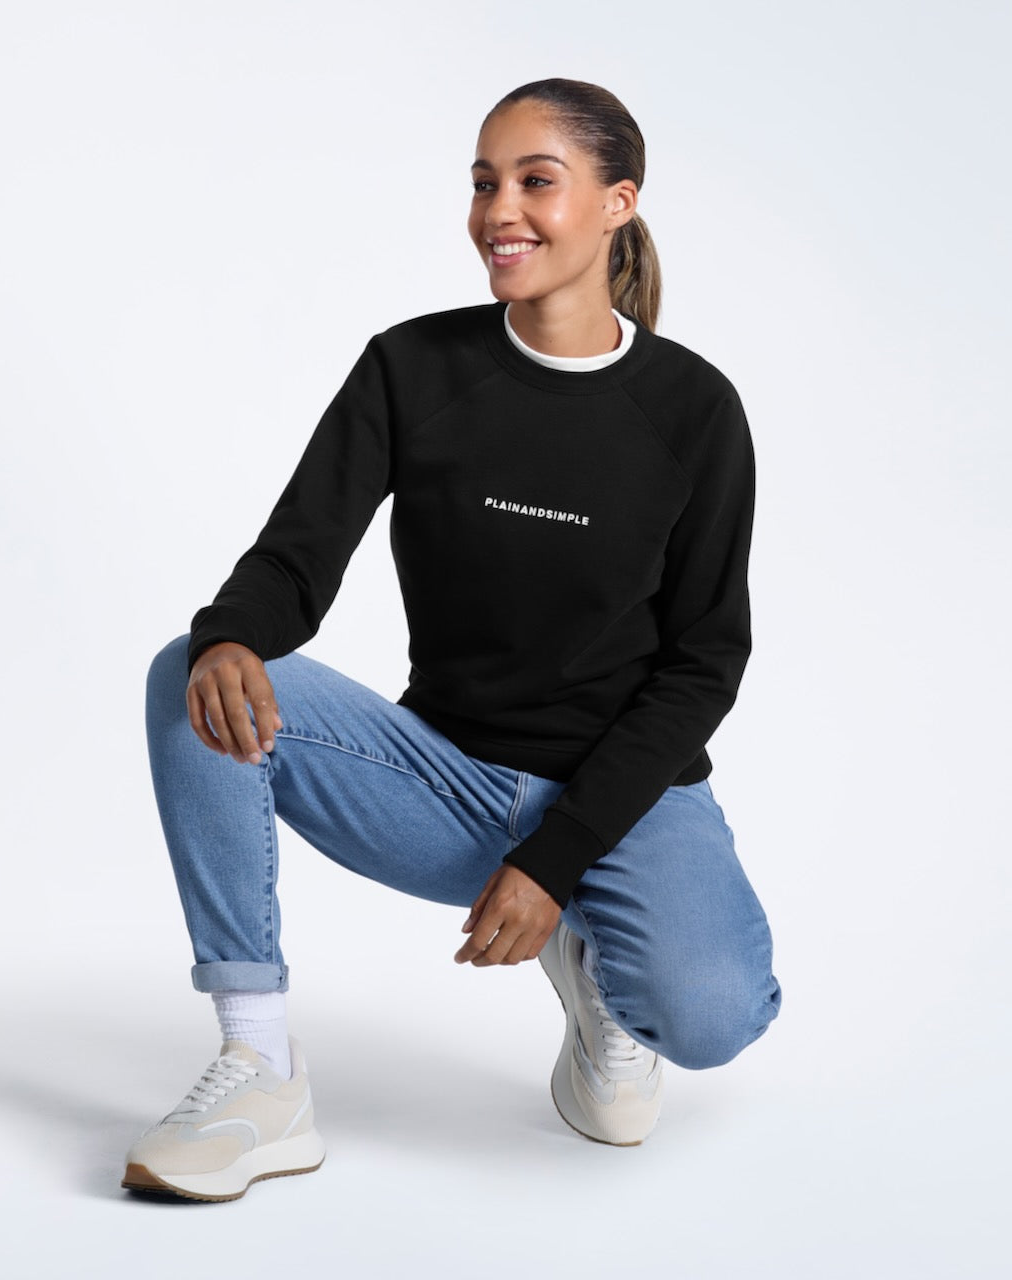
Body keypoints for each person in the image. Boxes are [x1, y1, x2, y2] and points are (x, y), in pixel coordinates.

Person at [122, 77, 781, 1202]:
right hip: (444, 785)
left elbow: (702, 664)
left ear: (617, 202)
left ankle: (603, 975)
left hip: (625, 801)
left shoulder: (693, 410)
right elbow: (297, 557)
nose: (498, 212)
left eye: (535, 181)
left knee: (711, 1015)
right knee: (195, 678)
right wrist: (231, 634)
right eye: (483, 183)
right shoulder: (412, 368)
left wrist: (557, 859)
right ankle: (259, 1065)